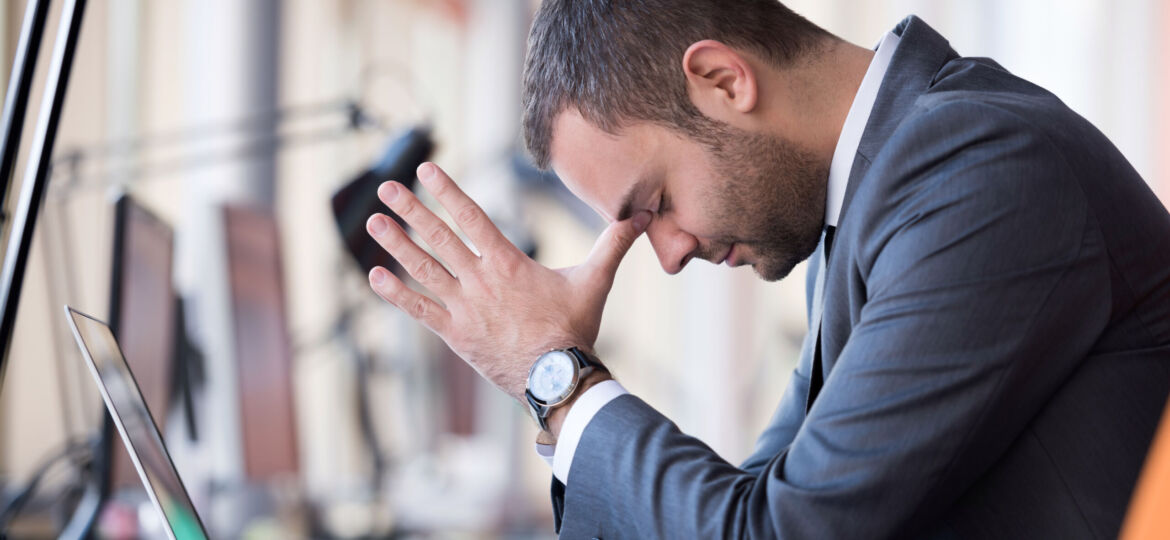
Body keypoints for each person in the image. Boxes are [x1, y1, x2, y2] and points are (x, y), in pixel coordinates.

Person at [362, 0, 1170, 537]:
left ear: (722, 81)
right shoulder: (869, 206)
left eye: (656, 203)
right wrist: (559, 382)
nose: (670, 255)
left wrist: (557, 379)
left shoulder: (983, 176)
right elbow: (748, 505)